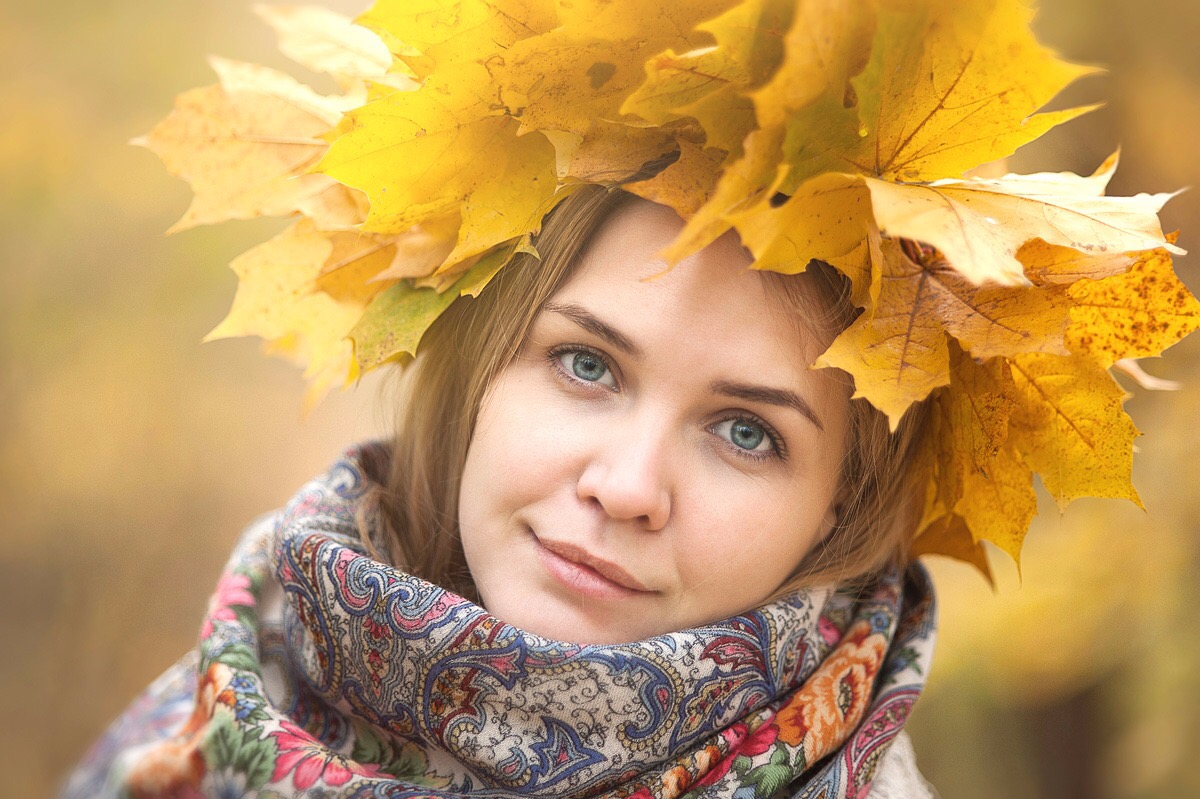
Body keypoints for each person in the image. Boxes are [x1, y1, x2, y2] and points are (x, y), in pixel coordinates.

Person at [66, 0, 1194, 797]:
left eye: (747, 433)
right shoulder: (221, 709)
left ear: (837, 512)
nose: (626, 486)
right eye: (588, 365)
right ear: (483, 365)